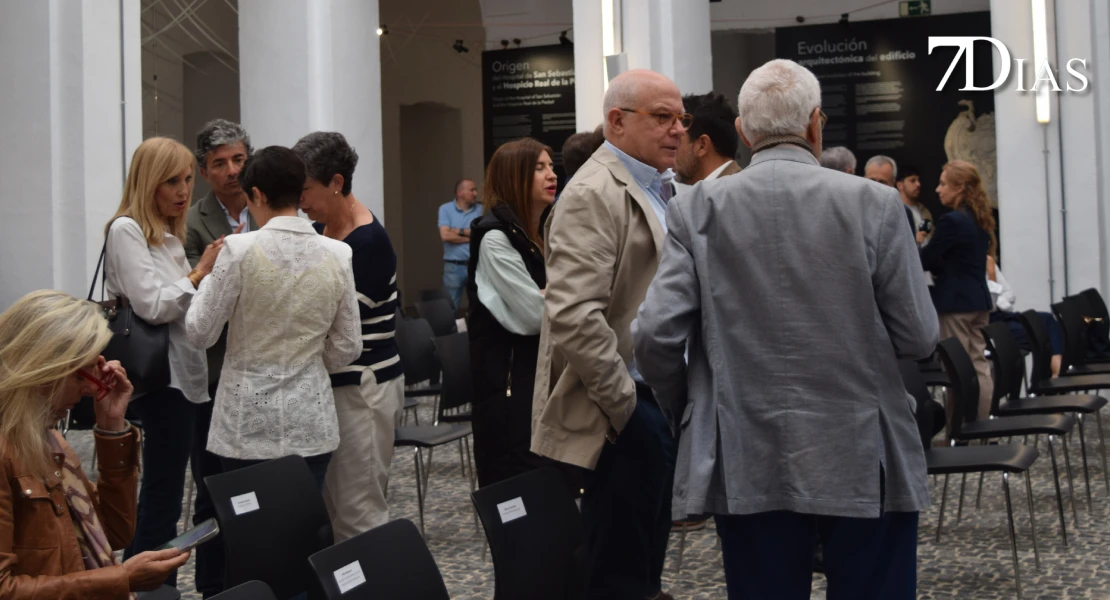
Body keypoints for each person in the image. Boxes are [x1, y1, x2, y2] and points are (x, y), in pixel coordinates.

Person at [633, 58, 938, 600]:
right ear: (816, 125)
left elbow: (654, 335)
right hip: (865, 451)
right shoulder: (875, 203)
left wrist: (691, 403)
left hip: (748, 449)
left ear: (746, 133)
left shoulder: (694, 209)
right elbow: (917, 336)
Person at [532, 68, 687, 600]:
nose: (677, 130)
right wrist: (627, 407)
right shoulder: (593, 193)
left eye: (681, 118)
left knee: (645, 560)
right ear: (616, 121)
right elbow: (575, 315)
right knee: (620, 569)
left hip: (657, 396)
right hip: (624, 406)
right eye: (662, 117)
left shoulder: (661, 186)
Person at [184, 146, 362, 492]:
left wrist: (203, 276)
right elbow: (348, 344)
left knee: (249, 534)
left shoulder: (238, 250)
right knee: (300, 531)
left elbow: (200, 333)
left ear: (256, 194)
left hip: (246, 422)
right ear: (299, 192)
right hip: (310, 418)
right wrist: (307, 363)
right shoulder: (339, 253)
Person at [0, 290, 192, 599]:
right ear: (43, 369)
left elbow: (115, 532)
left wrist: (112, 429)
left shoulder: (47, 440)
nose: (92, 388)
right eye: (81, 376)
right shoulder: (12, 449)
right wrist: (121, 579)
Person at [104, 137, 222, 588]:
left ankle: (146, 585)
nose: (183, 190)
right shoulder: (126, 229)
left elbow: (184, 308)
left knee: (169, 493)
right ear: (148, 181)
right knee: (162, 495)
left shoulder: (167, 235)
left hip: (183, 375)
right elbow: (153, 306)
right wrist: (200, 273)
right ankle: (150, 587)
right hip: (159, 378)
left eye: (188, 179)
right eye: (171, 180)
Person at [293, 131, 406, 541]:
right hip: (340, 386)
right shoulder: (325, 230)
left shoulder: (367, 241)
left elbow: (330, 326)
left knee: (359, 514)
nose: (299, 201)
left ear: (337, 183)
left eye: (305, 190)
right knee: (335, 509)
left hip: (364, 389)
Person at [183, 117, 254, 598]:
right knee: (212, 489)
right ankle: (212, 587)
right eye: (220, 164)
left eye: (239, 160)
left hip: (264, 375)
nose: (232, 171)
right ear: (204, 173)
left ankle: (258, 577)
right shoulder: (191, 223)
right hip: (212, 375)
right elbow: (192, 297)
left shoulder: (273, 212)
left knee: (263, 491)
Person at [466, 138, 558, 489]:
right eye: (539, 168)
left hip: (538, 382)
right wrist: (562, 292)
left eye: (550, 166)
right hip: (508, 390)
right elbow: (534, 316)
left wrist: (550, 293)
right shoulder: (495, 237)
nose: (551, 174)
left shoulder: (538, 233)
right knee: (521, 492)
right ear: (513, 176)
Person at [921, 160, 996, 420]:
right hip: (978, 301)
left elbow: (928, 260)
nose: (938, 190)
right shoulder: (979, 219)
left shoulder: (953, 221)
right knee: (978, 365)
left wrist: (916, 247)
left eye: (943, 184)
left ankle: (960, 432)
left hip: (955, 304)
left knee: (956, 369)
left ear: (960, 187)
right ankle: (981, 427)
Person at [987, 256, 1063, 377]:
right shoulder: (979, 266)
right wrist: (992, 277)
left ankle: (1055, 372)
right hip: (989, 322)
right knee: (1040, 333)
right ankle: (1049, 379)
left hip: (1004, 314)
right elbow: (989, 304)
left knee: (1047, 319)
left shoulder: (989, 262)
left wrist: (998, 303)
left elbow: (1010, 295)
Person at [673, 91, 741, 196]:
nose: (672, 150)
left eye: (678, 140)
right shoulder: (725, 192)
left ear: (702, 145)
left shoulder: (731, 196)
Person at [438, 179, 483, 309]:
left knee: (479, 306)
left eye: (476, 190)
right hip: (454, 267)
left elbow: (482, 234)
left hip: (477, 266)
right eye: (472, 190)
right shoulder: (445, 209)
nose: (475, 193)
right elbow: (445, 235)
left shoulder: (481, 209)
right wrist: (473, 236)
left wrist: (457, 231)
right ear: (460, 193)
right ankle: (453, 330)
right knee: (450, 306)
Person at [896, 165, 931, 246]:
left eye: (918, 180)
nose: (918, 184)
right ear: (899, 185)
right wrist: (913, 239)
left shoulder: (924, 210)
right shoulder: (896, 210)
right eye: (912, 181)